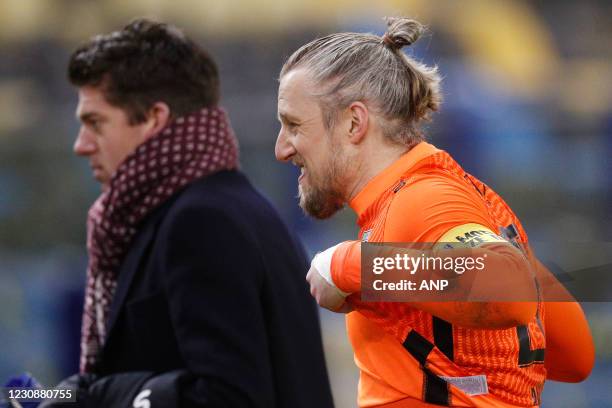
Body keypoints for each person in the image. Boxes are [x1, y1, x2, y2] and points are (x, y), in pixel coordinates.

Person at [275, 17, 594, 408]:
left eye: (293, 125)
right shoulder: (468, 198)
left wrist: (349, 264)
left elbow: (509, 292)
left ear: (354, 123)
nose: (281, 149)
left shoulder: (422, 200)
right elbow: (574, 355)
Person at [42, 18, 334, 408]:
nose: (82, 144)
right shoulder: (226, 206)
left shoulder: (202, 222)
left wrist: (100, 396)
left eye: (96, 123)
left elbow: (228, 396)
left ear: (153, 119)